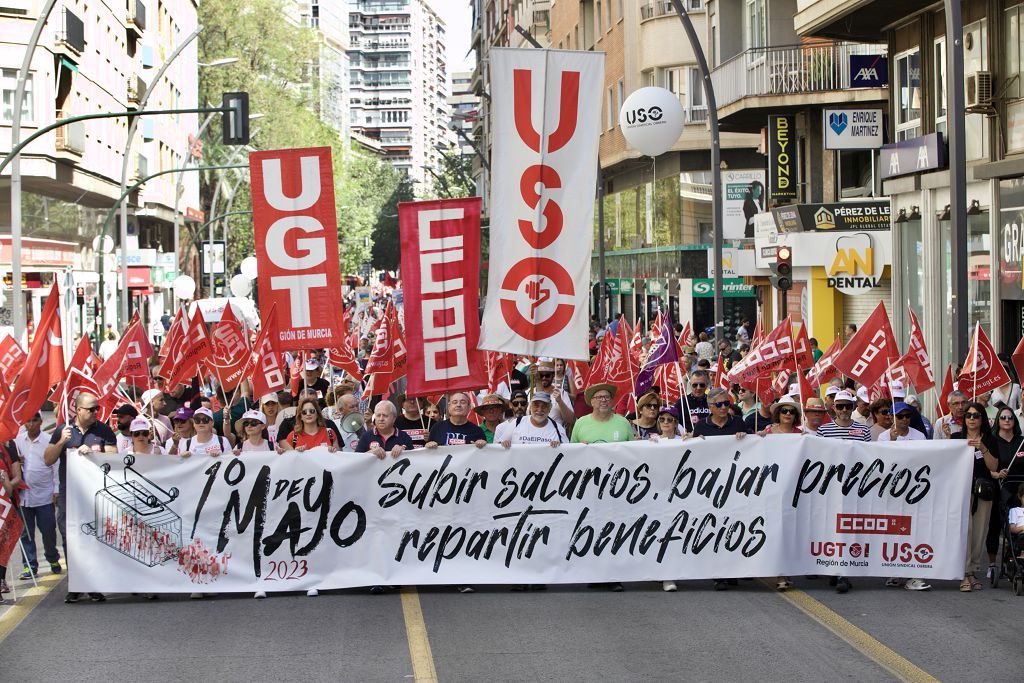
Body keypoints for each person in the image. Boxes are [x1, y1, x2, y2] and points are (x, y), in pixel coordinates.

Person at [43, 391, 116, 603]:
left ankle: (93, 583)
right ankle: (75, 583)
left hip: (95, 492)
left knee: (94, 536)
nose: (95, 412)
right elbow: (47, 459)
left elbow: (114, 455)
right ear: (78, 410)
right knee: (69, 536)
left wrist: (95, 454)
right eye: (91, 409)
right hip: (70, 492)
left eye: (97, 408)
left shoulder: (103, 429)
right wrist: (61, 443)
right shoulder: (62, 430)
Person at [814, 390, 869, 595]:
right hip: (831, 488)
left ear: (853, 407)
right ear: (833, 408)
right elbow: (819, 457)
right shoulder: (824, 430)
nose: (844, 410)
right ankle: (835, 568)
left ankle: (843, 571)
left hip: (854, 487)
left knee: (848, 527)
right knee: (831, 528)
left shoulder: (863, 430)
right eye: (840, 406)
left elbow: (869, 457)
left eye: (848, 406)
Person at [952, 402, 1000, 592]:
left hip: (983, 491)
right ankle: (963, 572)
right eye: (968, 415)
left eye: (976, 415)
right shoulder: (956, 437)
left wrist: (983, 448)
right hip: (961, 491)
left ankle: (972, 570)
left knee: (979, 532)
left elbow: (994, 467)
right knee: (965, 530)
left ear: (982, 419)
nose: (971, 418)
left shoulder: (990, 439)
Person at [16, 412, 60, 582]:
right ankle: (30, 565)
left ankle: (52, 558)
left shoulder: (49, 440)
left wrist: (56, 488)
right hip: (24, 496)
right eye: (28, 420)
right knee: (25, 533)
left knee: (48, 531)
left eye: (35, 420)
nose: (32, 424)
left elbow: (56, 465)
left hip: (44, 495)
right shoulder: (18, 440)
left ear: (41, 421)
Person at [0, 436, 23, 600]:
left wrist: (5, 483)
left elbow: (17, 476)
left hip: (5, 502)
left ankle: (1, 579)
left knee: (2, 543)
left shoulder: (9, 445)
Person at [500, 392, 566, 447]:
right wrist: (505, 443)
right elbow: (499, 447)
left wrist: (559, 447)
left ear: (550, 408)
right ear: (530, 406)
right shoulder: (517, 423)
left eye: (544, 406)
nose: (539, 410)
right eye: (536, 405)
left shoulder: (558, 429)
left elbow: (567, 453)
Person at [532, 360, 575, 433]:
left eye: (547, 375)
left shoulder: (561, 393)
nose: (544, 378)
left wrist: (560, 401)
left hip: (555, 437)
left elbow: (570, 420)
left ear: (553, 375)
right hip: (533, 436)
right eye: (541, 375)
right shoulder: (530, 393)